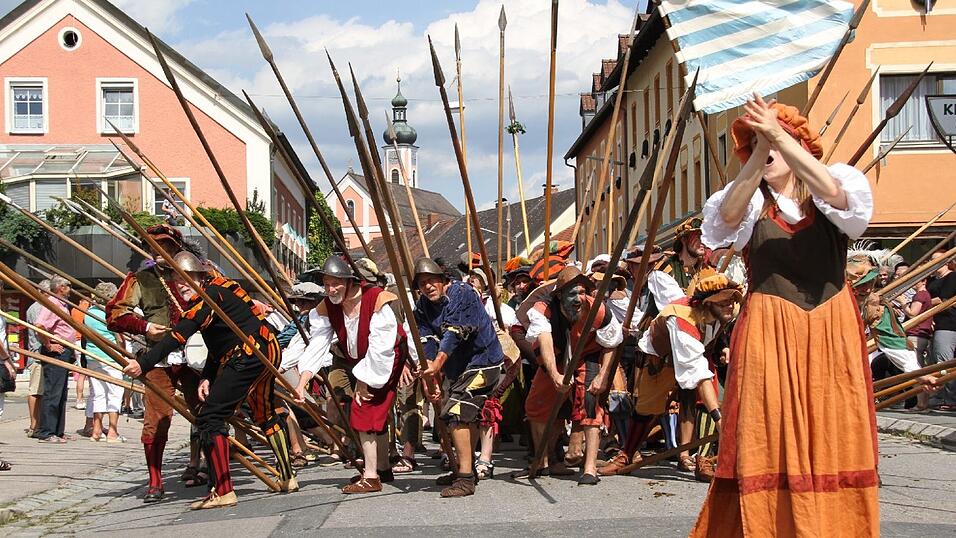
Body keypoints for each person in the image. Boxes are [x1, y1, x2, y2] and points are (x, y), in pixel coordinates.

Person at [690, 95, 912, 535]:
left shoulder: (836, 183)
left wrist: (780, 136)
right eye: (754, 143)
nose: (767, 149)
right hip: (769, 327)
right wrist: (761, 148)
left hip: (830, 326)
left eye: (775, 142)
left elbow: (836, 196)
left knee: (833, 427)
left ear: (798, 146)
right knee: (768, 427)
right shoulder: (749, 201)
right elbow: (724, 221)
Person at [124, 251, 297, 510]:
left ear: (198, 276)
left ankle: (223, 491)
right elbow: (218, 343)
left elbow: (178, 337)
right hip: (264, 348)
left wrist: (143, 363)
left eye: (186, 278)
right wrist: (207, 376)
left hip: (248, 353)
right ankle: (287, 477)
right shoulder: (219, 289)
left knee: (210, 418)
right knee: (265, 413)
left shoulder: (206, 299)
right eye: (177, 280)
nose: (181, 285)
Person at [107, 224, 205, 502]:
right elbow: (115, 315)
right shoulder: (140, 279)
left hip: (198, 357)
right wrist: (145, 326)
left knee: (205, 413)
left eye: (166, 245)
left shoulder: (196, 272)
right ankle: (155, 481)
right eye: (154, 246)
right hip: (159, 357)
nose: (159, 251)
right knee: (156, 420)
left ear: (177, 247)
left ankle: (201, 464)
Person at [293, 256, 405, 495]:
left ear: (349, 281)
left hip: (388, 355)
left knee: (363, 408)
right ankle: (382, 468)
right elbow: (318, 344)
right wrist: (303, 381)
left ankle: (371, 477)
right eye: (327, 284)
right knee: (375, 414)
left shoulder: (375, 298)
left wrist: (364, 380)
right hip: (364, 359)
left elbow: (381, 345)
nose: (331, 289)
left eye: (336, 283)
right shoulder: (328, 307)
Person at [521, 266, 623, 485]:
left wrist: (603, 376)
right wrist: (554, 374)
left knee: (590, 405)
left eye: (582, 292)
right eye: (572, 294)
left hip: (587, 356)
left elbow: (611, 343)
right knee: (536, 406)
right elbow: (544, 340)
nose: (578, 299)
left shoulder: (598, 309)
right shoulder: (543, 309)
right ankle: (544, 461)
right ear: (559, 296)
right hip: (555, 357)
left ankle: (590, 468)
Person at [415, 257, 504, 497]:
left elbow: (455, 332)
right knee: (461, 417)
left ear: (443, 279)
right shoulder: (422, 306)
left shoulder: (462, 293)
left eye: (432, 280)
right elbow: (426, 339)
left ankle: (465, 479)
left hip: (483, 361)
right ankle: (465, 470)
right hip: (457, 367)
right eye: (422, 283)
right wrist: (430, 371)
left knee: (456, 412)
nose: (428, 286)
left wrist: (437, 365)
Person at [34, 276, 78, 444]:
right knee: (53, 392)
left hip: (65, 351)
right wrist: (48, 345)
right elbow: (40, 326)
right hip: (56, 352)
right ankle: (46, 432)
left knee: (61, 393)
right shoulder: (52, 303)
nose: (71, 289)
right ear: (61, 287)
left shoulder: (62, 304)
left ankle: (58, 431)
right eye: (68, 286)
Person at [84, 282, 125, 443]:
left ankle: (96, 430)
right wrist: (124, 354)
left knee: (98, 394)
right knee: (115, 393)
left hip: (92, 356)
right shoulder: (110, 314)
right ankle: (112, 432)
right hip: (110, 357)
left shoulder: (88, 313)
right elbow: (119, 338)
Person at [927, 251, 956, 410]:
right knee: (936, 362)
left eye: (936, 260)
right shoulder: (932, 280)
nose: (932, 263)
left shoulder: (952, 277)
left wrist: (922, 302)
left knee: (944, 363)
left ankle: (950, 399)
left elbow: (943, 300)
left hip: (948, 324)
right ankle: (939, 397)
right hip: (936, 324)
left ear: (946, 261)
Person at [904, 277, 935, 412]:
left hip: (916, 334)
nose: (913, 282)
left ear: (924, 281)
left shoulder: (920, 295)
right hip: (922, 335)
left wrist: (903, 303)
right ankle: (922, 403)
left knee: (916, 370)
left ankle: (921, 404)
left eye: (916, 280)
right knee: (920, 368)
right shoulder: (926, 295)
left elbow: (912, 314)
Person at [24, 279, 50, 438]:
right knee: (35, 391)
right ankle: (34, 425)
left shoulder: (42, 307)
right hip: (37, 355)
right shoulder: (37, 308)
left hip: (42, 355)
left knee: (41, 392)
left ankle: (39, 423)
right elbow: (39, 331)